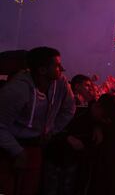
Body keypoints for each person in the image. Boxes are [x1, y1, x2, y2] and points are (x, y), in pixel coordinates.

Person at [0, 46, 75, 195]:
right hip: (8, 147)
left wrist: (51, 129)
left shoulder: (61, 83)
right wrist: (17, 151)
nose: (63, 69)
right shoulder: (17, 90)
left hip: (35, 147)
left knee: (28, 189)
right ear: (42, 70)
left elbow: (69, 109)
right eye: (57, 66)